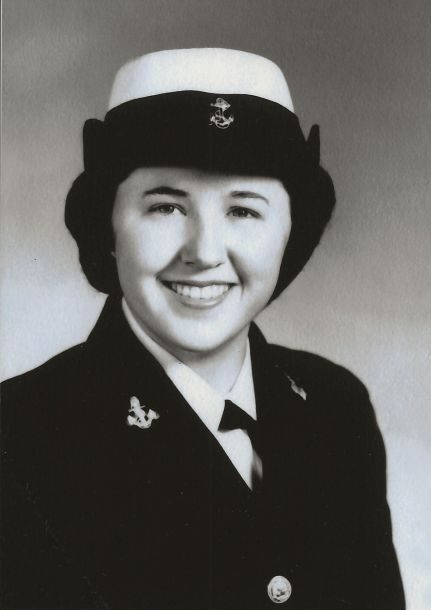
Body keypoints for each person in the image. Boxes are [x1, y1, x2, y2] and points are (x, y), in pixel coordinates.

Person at [1, 48, 405, 610]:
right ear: (107, 225)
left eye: (243, 210)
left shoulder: (337, 409)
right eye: (166, 207)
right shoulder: (21, 437)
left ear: (291, 232)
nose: (205, 253)